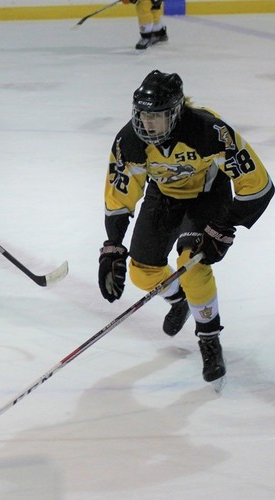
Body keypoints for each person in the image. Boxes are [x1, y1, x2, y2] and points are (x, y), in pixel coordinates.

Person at [98, 69, 273, 384]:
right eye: (142, 116)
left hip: (207, 197)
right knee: (142, 273)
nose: (146, 124)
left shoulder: (209, 131)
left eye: (156, 117)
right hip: (164, 196)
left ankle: (209, 338)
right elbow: (120, 194)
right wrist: (112, 246)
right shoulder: (130, 141)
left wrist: (223, 226)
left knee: (191, 264)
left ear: (176, 113)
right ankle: (179, 299)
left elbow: (257, 184)